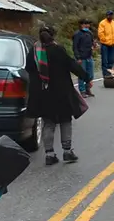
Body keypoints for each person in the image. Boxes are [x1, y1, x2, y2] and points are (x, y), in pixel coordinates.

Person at [26, 25, 93, 165]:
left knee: (48, 123)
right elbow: (72, 65)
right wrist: (87, 78)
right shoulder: (58, 49)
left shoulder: (33, 51)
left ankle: (49, 155)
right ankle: (67, 152)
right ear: (53, 35)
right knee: (65, 120)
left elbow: (28, 69)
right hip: (62, 93)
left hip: (43, 94)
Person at [72, 19, 96, 98]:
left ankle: (88, 89)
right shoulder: (77, 34)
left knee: (90, 75)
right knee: (82, 75)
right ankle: (82, 91)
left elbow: (93, 43)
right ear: (81, 25)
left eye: (88, 24)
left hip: (89, 56)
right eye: (85, 24)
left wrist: (94, 45)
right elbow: (75, 47)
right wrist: (78, 57)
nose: (87, 25)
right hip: (81, 58)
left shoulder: (90, 33)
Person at [97, 10, 114, 78]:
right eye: (109, 15)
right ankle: (105, 74)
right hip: (105, 45)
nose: (110, 16)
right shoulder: (102, 23)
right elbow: (100, 33)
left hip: (113, 44)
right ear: (107, 16)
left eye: (111, 15)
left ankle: (109, 73)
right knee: (105, 60)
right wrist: (105, 40)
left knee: (111, 60)